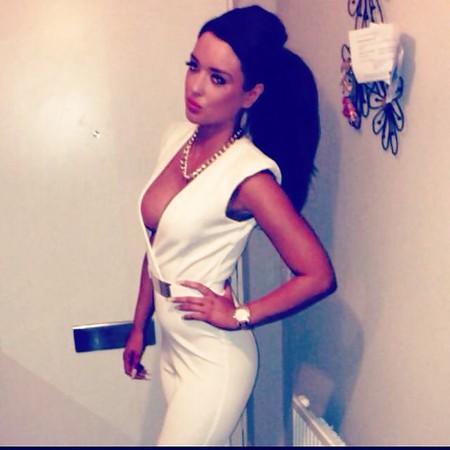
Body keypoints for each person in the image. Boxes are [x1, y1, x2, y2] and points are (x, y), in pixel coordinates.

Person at [123, 5, 337, 446]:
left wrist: (239, 315)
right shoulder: (176, 138)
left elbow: (318, 275)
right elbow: (157, 246)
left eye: (217, 78)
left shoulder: (250, 176)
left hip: (213, 360)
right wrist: (140, 324)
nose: (196, 86)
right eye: (193, 66)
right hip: (174, 347)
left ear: (250, 95)